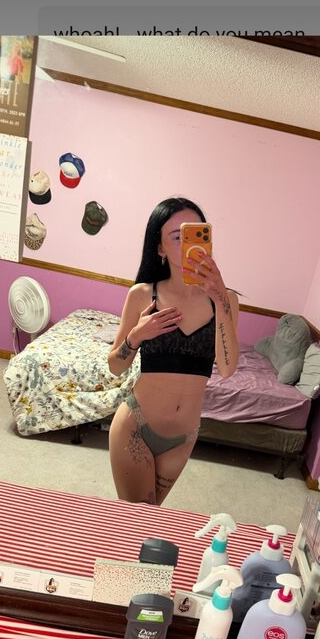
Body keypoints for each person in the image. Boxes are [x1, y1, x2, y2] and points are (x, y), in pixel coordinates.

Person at [108, 197, 239, 505]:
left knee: (153, 515)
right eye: (177, 236)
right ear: (160, 248)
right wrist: (137, 336)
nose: (189, 244)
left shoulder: (226, 300)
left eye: (196, 233)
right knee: (138, 518)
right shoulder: (143, 295)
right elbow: (115, 366)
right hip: (136, 426)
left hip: (184, 437)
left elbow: (227, 368)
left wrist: (219, 296)